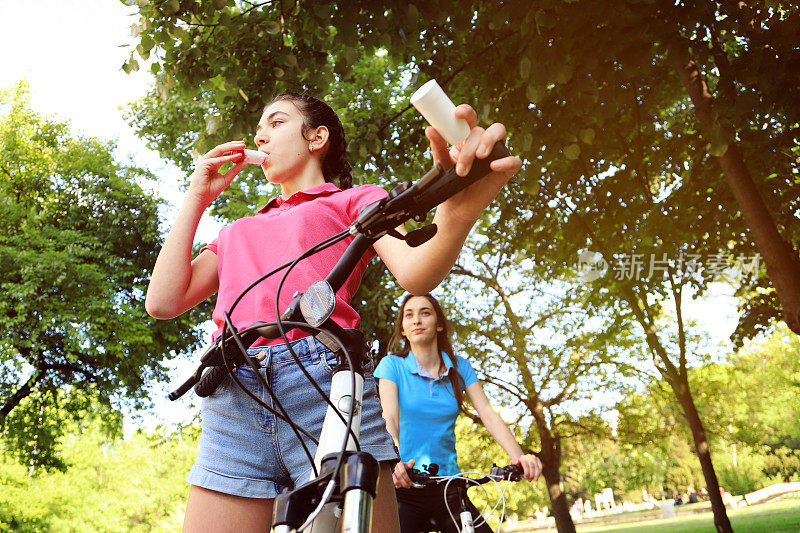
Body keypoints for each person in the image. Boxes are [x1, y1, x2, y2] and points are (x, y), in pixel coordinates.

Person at [145, 91, 522, 533]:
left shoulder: (356, 202)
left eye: (276, 122)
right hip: (234, 390)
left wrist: (455, 212)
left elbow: (415, 271)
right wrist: (196, 195)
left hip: (326, 383)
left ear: (317, 137)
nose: (260, 136)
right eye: (258, 130)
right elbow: (163, 301)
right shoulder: (235, 231)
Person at [374, 293, 542, 533]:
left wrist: (520, 457)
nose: (416, 321)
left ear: (439, 324)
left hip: (449, 486)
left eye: (425, 313)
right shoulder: (392, 366)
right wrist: (394, 462)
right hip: (406, 485)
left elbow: (487, 412)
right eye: (408, 315)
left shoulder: (460, 367)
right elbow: (389, 419)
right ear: (402, 329)